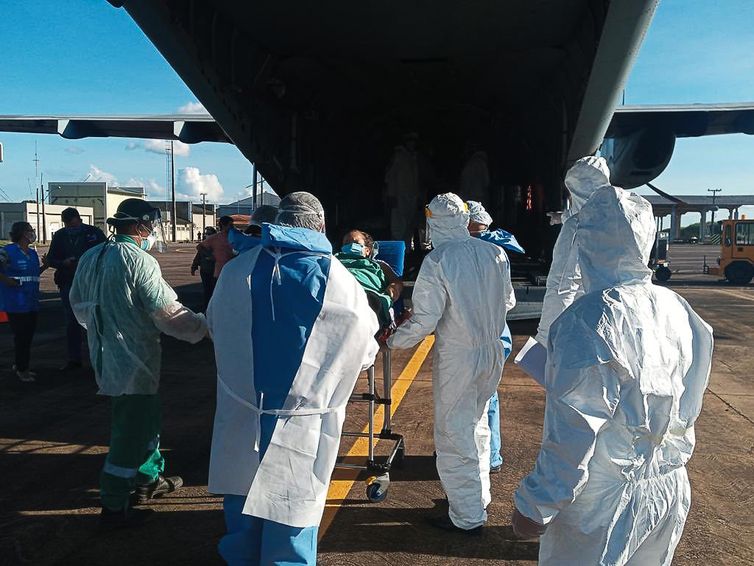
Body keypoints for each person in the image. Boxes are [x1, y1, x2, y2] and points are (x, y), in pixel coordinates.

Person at [512, 186, 713, 565]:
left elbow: (576, 427)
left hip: (603, 500)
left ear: (584, 242)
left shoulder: (590, 318)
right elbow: (693, 390)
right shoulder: (676, 306)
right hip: (668, 484)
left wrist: (537, 503)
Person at [207, 191, 379, 565]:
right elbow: (364, 353)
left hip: (243, 415)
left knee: (243, 506)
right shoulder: (340, 283)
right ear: (319, 226)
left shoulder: (238, 270)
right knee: (291, 516)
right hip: (304, 423)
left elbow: (216, 325)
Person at [69, 198, 208, 528]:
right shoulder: (139, 260)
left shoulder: (91, 256)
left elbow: (79, 305)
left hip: (108, 356)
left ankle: (148, 479)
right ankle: (114, 504)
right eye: (151, 224)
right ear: (140, 225)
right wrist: (204, 328)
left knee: (146, 420)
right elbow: (166, 312)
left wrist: (106, 329)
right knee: (131, 431)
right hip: (135, 360)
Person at [388, 193, 515, 533]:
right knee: (478, 425)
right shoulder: (495, 253)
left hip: (460, 356)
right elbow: (509, 302)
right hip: (492, 351)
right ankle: (477, 498)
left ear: (433, 222)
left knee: (454, 434)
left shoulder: (439, 260)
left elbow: (425, 320)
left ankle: (467, 516)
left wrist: (391, 341)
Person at [466, 200, 523, 473]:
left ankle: (484, 455)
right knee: (487, 396)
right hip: (495, 335)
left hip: (482, 337)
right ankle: (487, 454)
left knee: (480, 398)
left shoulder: (479, 253)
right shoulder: (497, 251)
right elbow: (508, 300)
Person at [47, 207, 106, 371]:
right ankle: (74, 358)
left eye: (74, 225)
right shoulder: (59, 236)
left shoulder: (94, 233)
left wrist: (86, 262)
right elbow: (51, 259)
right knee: (71, 321)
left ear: (79, 220)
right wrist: (63, 263)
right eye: (68, 226)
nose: (72, 228)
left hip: (91, 283)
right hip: (68, 282)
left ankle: (100, 358)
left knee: (95, 320)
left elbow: (105, 253)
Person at [0, 222, 48, 382]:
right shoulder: (7, 251)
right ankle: (22, 369)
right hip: (16, 302)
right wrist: (6, 280)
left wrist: (45, 266)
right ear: (21, 233)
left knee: (27, 336)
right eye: (30, 231)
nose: (32, 233)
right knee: (23, 337)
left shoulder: (33, 254)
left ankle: (19, 364)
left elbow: (33, 274)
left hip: (31, 301)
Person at [335, 229, 403, 327]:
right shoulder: (333, 260)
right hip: (340, 289)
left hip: (368, 292)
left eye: (355, 242)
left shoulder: (378, 264)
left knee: (370, 303)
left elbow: (396, 282)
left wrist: (394, 288)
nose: (350, 245)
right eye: (346, 243)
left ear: (367, 250)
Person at [197, 215, 235, 282]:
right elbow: (200, 247)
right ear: (223, 225)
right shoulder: (215, 238)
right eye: (230, 225)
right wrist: (210, 255)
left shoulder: (237, 236)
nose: (232, 227)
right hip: (220, 271)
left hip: (233, 269)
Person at [191, 226, 217, 311]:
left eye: (209, 234)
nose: (207, 235)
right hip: (205, 270)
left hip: (215, 271)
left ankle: (214, 307)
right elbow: (198, 257)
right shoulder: (204, 244)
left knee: (214, 290)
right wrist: (194, 266)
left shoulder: (218, 244)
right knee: (207, 290)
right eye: (206, 234)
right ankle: (207, 307)